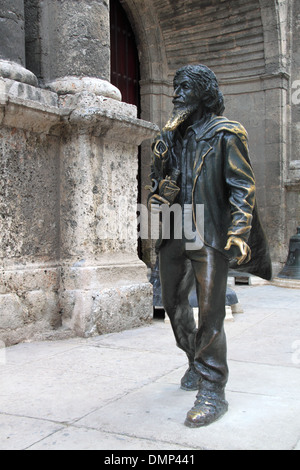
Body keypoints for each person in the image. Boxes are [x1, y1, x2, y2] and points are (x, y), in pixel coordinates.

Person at [148, 64, 272, 427]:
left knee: (210, 310)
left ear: (203, 91)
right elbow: (159, 183)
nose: (176, 95)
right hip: (175, 227)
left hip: (208, 230)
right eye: (174, 88)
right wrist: (158, 193)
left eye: (183, 87)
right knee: (170, 302)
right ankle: (194, 360)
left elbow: (242, 187)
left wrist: (238, 232)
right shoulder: (169, 136)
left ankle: (213, 388)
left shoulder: (226, 133)